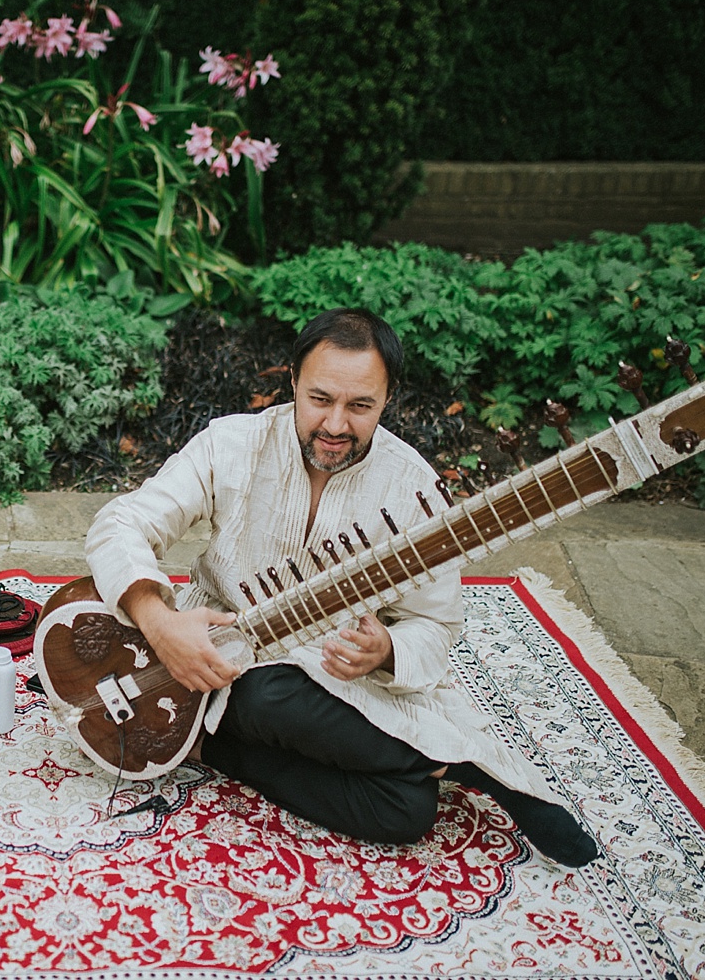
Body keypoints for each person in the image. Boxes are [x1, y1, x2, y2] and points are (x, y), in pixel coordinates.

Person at [85, 307, 599, 867]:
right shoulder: (231, 445)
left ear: (387, 399)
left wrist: (388, 651)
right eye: (320, 399)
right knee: (260, 691)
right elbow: (121, 524)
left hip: (330, 680)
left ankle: (219, 749)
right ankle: (458, 762)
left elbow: (437, 623)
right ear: (293, 383)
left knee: (406, 813)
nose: (334, 426)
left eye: (360, 407)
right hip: (216, 662)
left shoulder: (411, 487)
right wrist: (161, 625)